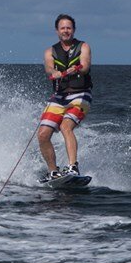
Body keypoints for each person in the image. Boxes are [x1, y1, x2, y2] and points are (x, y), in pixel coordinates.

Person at [37, 14, 92, 182]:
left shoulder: (83, 47)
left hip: (80, 95)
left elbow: (85, 65)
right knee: (43, 134)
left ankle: (73, 167)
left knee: (65, 126)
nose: (66, 31)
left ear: (73, 30)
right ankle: (53, 171)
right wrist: (56, 73)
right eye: (62, 28)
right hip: (59, 97)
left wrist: (75, 70)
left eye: (69, 28)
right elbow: (49, 68)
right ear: (57, 31)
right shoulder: (50, 51)